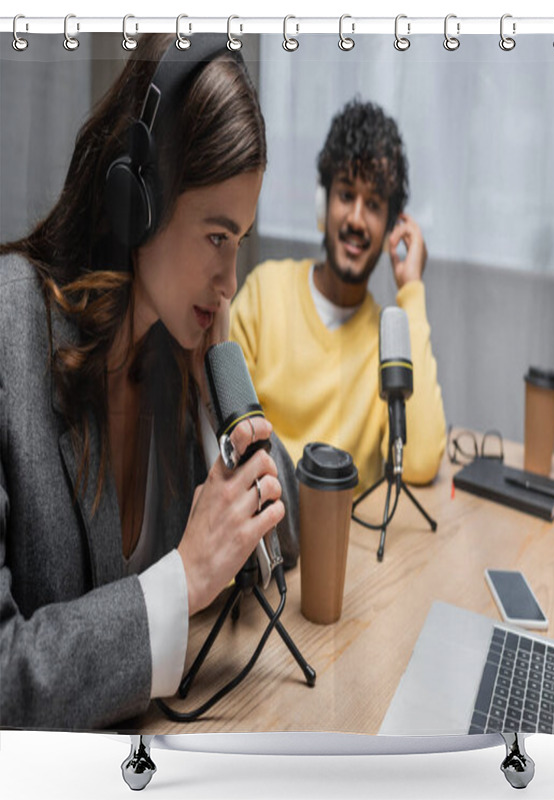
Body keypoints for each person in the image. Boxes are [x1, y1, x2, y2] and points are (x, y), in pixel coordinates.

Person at [0, 34, 298, 730]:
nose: (230, 284)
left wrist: (222, 399)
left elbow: (273, 550)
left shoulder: (174, 353)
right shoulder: (10, 329)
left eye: (240, 243)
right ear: (140, 199)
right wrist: (182, 580)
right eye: (216, 238)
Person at [230, 99, 446, 494]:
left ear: (390, 228)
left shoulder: (389, 341)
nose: (357, 220)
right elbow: (223, 439)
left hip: (349, 546)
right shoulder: (263, 294)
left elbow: (418, 462)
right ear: (323, 202)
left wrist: (411, 290)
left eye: (375, 205)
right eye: (346, 194)